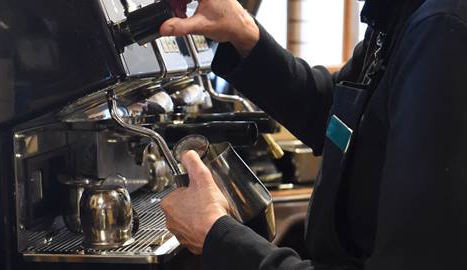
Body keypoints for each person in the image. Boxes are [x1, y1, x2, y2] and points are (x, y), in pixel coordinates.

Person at [160, 0, 467, 269]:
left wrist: (219, 237)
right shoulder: (399, 15)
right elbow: (337, 111)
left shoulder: (442, 30)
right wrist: (241, 32)